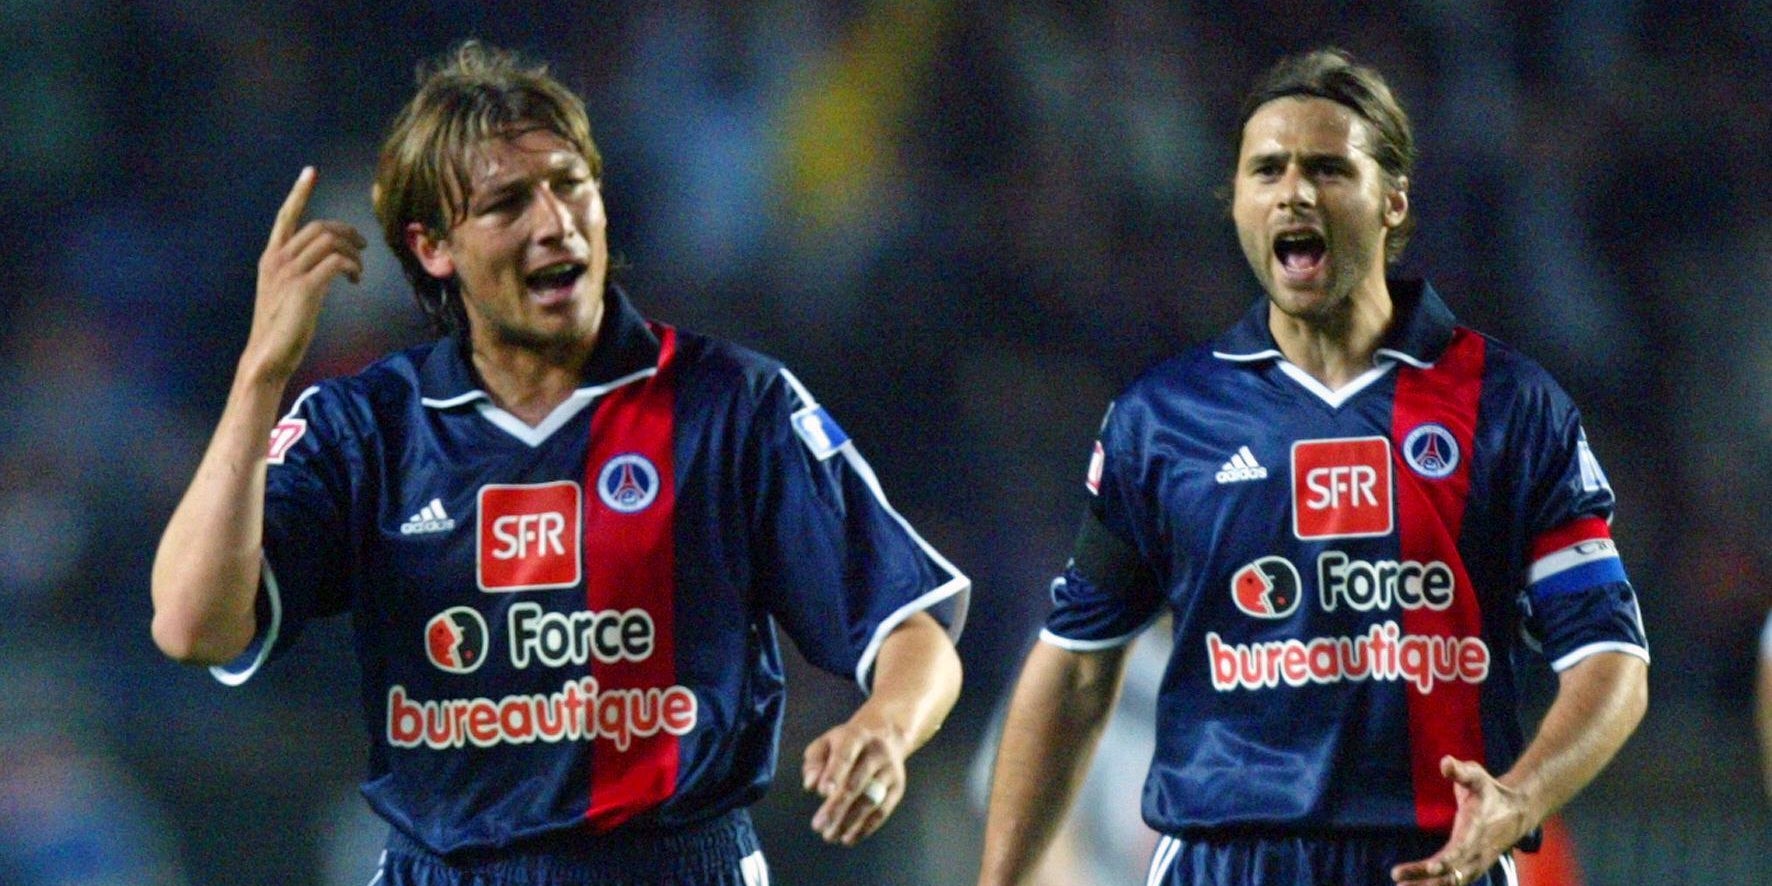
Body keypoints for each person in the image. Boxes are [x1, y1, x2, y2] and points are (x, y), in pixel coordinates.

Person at [150, 41, 967, 886]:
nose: (556, 222)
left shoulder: (731, 405)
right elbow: (192, 625)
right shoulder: (368, 429)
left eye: (571, 183)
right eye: (507, 203)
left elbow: (912, 625)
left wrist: (887, 727)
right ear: (434, 247)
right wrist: (260, 375)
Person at [976, 47, 1648, 886]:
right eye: (1268, 170)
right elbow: (1077, 665)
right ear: (1239, 206)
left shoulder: (1510, 407)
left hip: (1436, 860)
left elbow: (1609, 659)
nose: (1294, 190)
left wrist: (1521, 796)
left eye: (1327, 167)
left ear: (1393, 201)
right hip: (1225, 864)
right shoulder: (1164, 418)